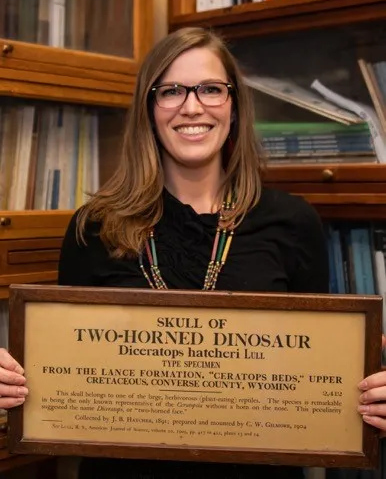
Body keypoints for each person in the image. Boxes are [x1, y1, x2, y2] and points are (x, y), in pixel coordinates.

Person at [0, 27, 385, 478]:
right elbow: (64, 374)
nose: (192, 106)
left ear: (235, 105)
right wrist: (16, 384)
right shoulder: (94, 227)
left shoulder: (294, 223)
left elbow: (317, 375)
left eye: (210, 89)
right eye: (171, 91)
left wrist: (365, 396)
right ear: (149, 108)